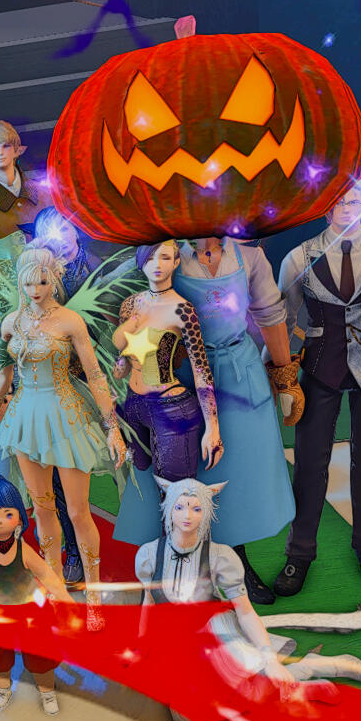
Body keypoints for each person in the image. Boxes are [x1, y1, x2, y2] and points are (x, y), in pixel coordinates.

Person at [111, 235, 300, 605]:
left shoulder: (249, 257)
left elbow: (270, 315)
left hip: (239, 373)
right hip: (182, 381)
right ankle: (181, 567)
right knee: (187, 476)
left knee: (237, 473)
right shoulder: (170, 254)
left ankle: (236, 566)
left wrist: (285, 375)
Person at [135, 479, 361, 721]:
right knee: (186, 716)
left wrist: (270, 660)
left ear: (206, 513)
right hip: (178, 642)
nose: (187, 516)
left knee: (235, 689)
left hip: (214, 633)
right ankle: (304, 673)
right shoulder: (148, 555)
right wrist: (142, 645)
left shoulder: (220, 556)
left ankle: (305, 674)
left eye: (196, 509)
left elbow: (246, 613)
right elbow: (148, 602)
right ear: (169, 508)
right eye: (180, 507)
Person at [275, 188, 361, 596]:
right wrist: (278, 374)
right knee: (308, 464)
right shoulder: (299, 256)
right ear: (324, 208)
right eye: (337, 202)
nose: (346, 209)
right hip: (319, 368)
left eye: (353, 202)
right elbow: (283, 317)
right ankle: (299, 552)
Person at [0, 248, 128, 610]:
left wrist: (112, 426)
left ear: (54, 280)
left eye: (43, 282)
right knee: (42, 509)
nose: (35, 290)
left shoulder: (70, 321)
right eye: (29, 283)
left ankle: (93, 597)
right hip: (25, 418)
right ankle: (56, 590)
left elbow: (95, 375)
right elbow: (3, 373)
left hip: (66, 418)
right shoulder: (11, 323)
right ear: (20, 281)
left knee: (78, 512)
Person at [0, 475, 75, 714]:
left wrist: (65, 598)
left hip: (29, 610)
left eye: (7, 514)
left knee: (41, 654)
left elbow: (47, 575)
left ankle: (47, 692)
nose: (0, 522)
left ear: (20, 516)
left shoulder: (24, 550)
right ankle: (2, 689)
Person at [112, 240, 222, 492]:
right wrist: (116, 361)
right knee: (141, 479)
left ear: (176, 261)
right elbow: (121, 366)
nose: (157, 265)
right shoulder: (130, 304)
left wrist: (213, 428)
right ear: (141, 262)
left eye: (164, 257)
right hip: (132, 404)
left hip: (170, 408)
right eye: (150, 258)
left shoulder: (183, 310)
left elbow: (201, 370)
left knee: (176, 495)